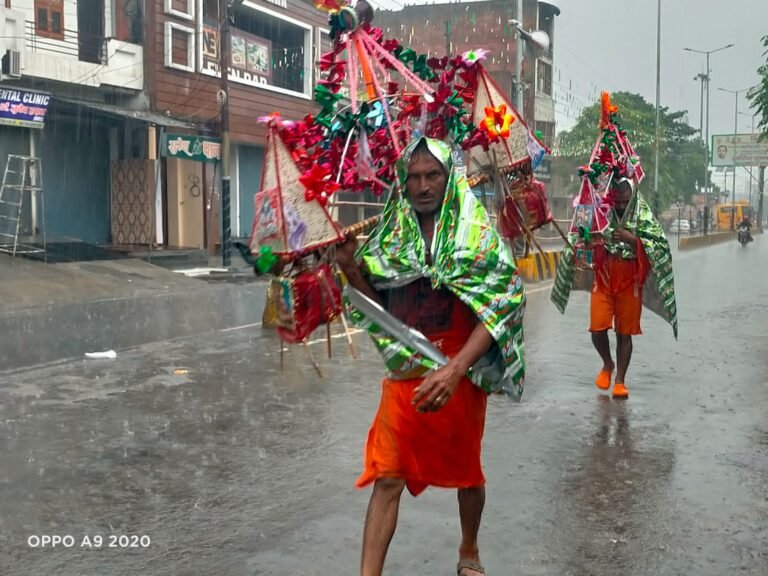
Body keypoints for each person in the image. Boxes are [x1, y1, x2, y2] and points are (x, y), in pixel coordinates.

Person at [336, 137, 526, 576]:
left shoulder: (477, 234)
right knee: (388, 475)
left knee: (467, 472)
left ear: (448, 179)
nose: (423, 186)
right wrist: (349, 268)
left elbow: (503, 303)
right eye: (414, 177)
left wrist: (456, 370)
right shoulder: (387, 237)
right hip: (406, 371)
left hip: (461, 368)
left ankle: (469, 549)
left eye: (433, 175)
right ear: (403, 183)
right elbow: (380, 309)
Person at [552, 175, 678, 399]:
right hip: (603, 277)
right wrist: (586, 242)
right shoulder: (599, 211)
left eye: (625, 201)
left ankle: (620, 380)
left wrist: (632, 239)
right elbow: (579, 237)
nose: (620, 205)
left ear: (632, 198)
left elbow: (660, 247)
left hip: (630, 281)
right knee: (597, 328)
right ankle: (607, 363)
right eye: (617, 200)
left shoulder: (643, 214)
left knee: (624, 333)